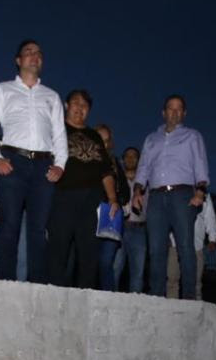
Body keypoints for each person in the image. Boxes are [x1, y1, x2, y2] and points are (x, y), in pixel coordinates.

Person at [0, 39, 67, 283]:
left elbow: (60, 135)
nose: (34, 55)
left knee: (38, 229)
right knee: (9, 225)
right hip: (12, 161)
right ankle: (6, 282)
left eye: (38, 52)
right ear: (18, 60)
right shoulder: (3, 90)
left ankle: (36, 284)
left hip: (43, 165)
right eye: (28, 52)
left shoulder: (52, 96)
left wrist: (60, 164)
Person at [132, 95, 209, 299]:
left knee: (185, 246)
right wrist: (137, 192)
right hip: (156, 197)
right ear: (163, 112)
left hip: (182, 195)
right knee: (156, 249)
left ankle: (189, 297)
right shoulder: (151, 139)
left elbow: (200, 165)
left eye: (179, 109)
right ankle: (156, 296)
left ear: (184, 113)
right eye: (170, 108)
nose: (174, 112)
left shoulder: (192, 136)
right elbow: (143, 167)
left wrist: (200, 192)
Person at [47, 90, 117, 288]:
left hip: (92, 200)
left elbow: (106, 170)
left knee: (89, 253)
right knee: (58, 249)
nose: (80, 107)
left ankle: (85, 296)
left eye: (85, 105)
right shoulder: (55, 129)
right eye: (76, 103)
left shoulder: (94, 135)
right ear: (66, 105)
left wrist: (112, 198)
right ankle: (54, 293)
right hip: (63, 196)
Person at [93, 124, 133, 291]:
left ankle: (107, 297)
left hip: (111, 214)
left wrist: (115, 200)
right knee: (90, 262)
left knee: (106, 262)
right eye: (99, 139)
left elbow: (125, 191)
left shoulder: (115, 163)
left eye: (106, 140)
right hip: (89, 215)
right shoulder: (86, 161)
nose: (103, 143)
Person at [166, 191, 216, 299]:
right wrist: (167, 236)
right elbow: (167, 214)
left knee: (196, 282)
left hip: (196, 245)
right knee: (172, 280)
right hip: (175, 244)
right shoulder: (176, 189)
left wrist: (212, 238)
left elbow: (210, 217)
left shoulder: (205, 194)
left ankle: (194, 307)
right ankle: (171, 307)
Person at [118, 145, 146, 292]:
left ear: (139, 160)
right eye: (127, 156)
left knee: (138, 273)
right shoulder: (115, 179)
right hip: (119, 228)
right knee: (115, 268)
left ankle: (135, 302)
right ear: (122, 160)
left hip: (139, 230)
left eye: (134, 156)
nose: (130, 158)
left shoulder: (146, 182)